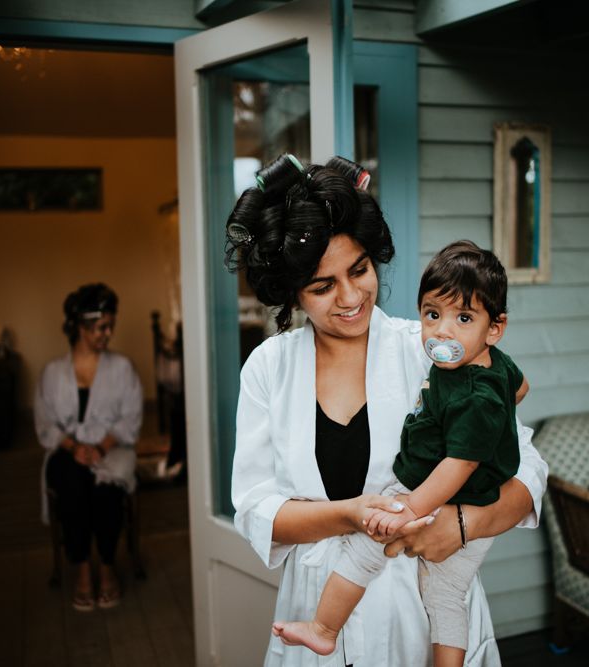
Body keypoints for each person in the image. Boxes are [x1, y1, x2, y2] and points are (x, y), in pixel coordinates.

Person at [228, 155, 548, 666]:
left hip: (422, 606)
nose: (351, 296)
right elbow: (255, 509)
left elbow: (526, 467)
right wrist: (348, 515)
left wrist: (463, 525)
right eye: (322, 286)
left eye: (359, 270)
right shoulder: (269, 369)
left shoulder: (432, 347)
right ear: (292, 293)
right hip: (319, 605)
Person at [274, 241, 530, 667]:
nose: (443, 331)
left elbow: (468, 462)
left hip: (433, 501)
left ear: (494, 328)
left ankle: (323, 628)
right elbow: (519, 388)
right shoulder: (484, 364)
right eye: (432, 314)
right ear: (295, 293)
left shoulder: (471, 390)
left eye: (359, 271)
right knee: (445, 596)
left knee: (370, 549)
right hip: (431, 502)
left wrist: (415, 509)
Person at [34, 283, 143, 612]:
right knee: (72, 486)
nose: (108, 333)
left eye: (111, 325)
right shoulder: (52, 373)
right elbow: (45, 424)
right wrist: (73, 446)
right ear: (79, 327)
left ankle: (107, 566)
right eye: (100, 327)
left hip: (113, 449)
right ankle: (82, 567)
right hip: (67, 451)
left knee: (106, 490)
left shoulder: (122, 368)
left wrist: (101, 445)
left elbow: (131, 418)